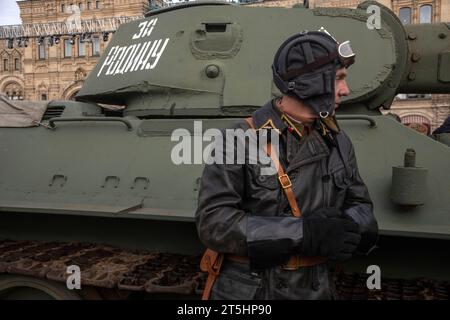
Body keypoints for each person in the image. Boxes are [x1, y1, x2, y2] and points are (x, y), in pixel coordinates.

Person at [195, 31, 378, 300]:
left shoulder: (337, 140)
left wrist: (344, 228)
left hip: (318, 287)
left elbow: (361, 205)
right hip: (257, 291)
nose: (345, 90)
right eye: (338, 78)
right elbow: (213, 224)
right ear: (310, 82)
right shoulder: (240, 139)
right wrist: (303, 233)